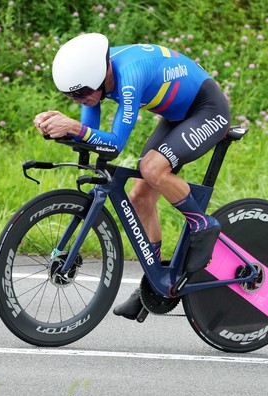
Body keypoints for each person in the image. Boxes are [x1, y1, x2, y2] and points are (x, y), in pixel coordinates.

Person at [34, 33, 231, 320]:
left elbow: (113, 144)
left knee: (152, 168)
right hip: (178, 116)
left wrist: (75, 128)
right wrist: (57, 128)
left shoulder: (129, 75)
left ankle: (204, 224)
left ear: (102, 74)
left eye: (83, 93)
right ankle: (157, 280)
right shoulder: (94, 82)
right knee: (139, 196)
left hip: (208, 110)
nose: (81, 100)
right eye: (72, 96)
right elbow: (90, 136)